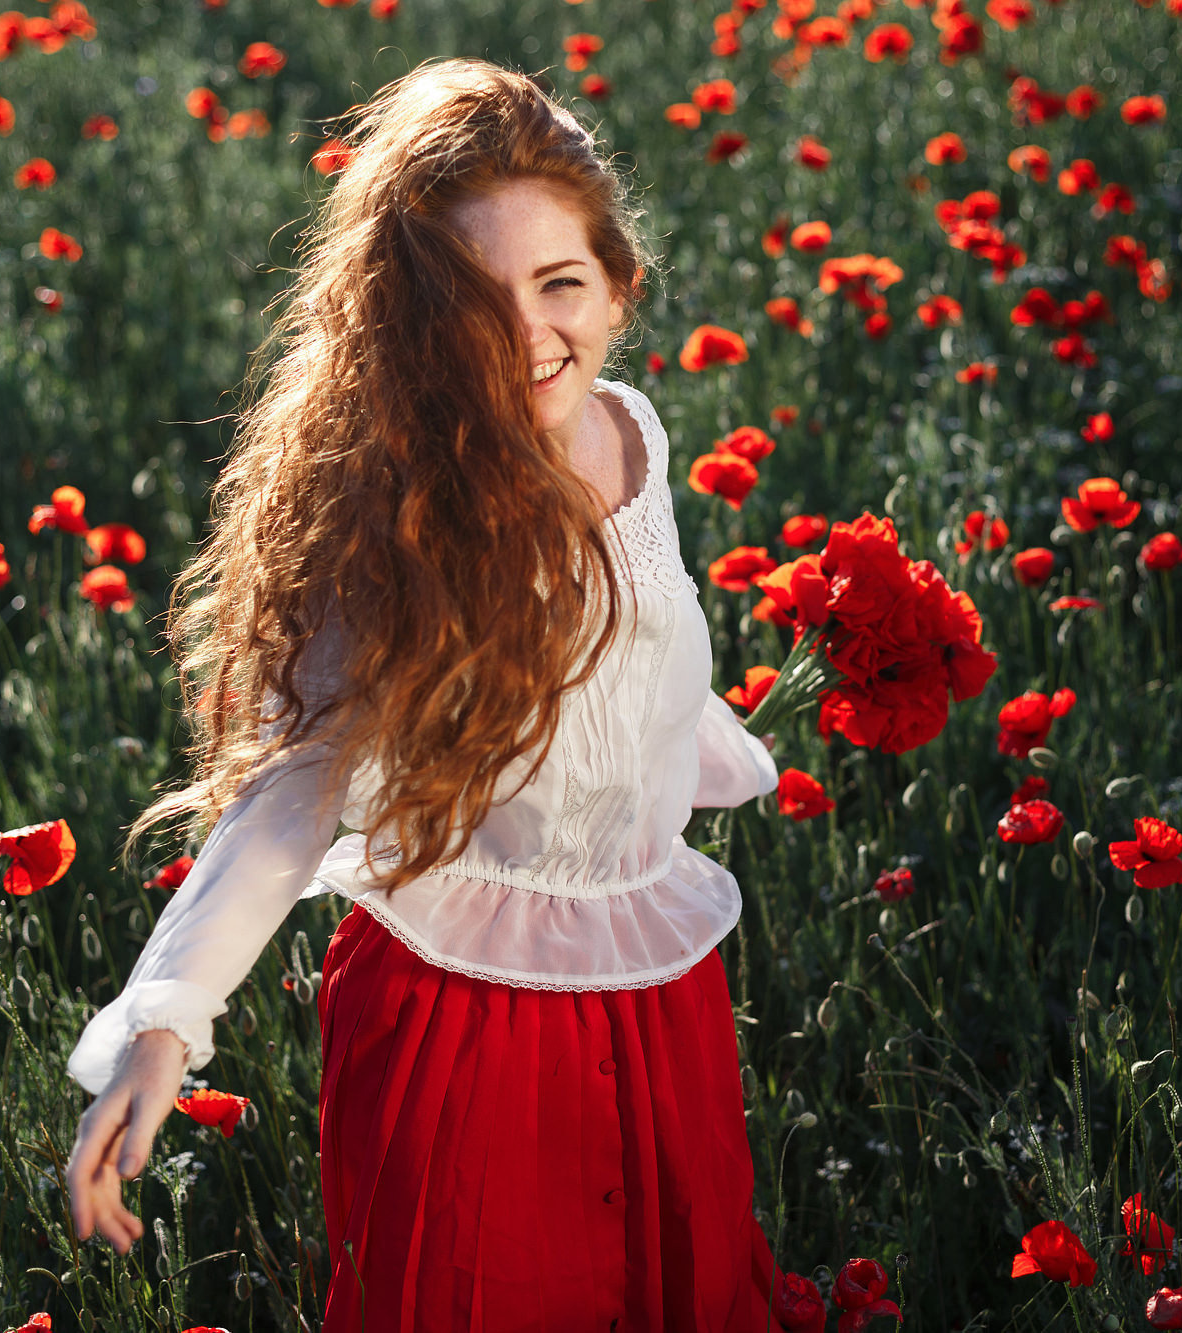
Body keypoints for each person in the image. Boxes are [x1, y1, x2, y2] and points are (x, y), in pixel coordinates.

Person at [62, 57, 784, 1332]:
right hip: (466, 1017)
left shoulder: (634, 433)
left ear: (616, 284)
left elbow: (641, 659)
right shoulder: (395, 518)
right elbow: (292, 800)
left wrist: (726, 756)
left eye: (560, 283)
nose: (528, 334)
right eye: (471, 304)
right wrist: (164, 1026)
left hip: (656, 984)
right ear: (411, 323)